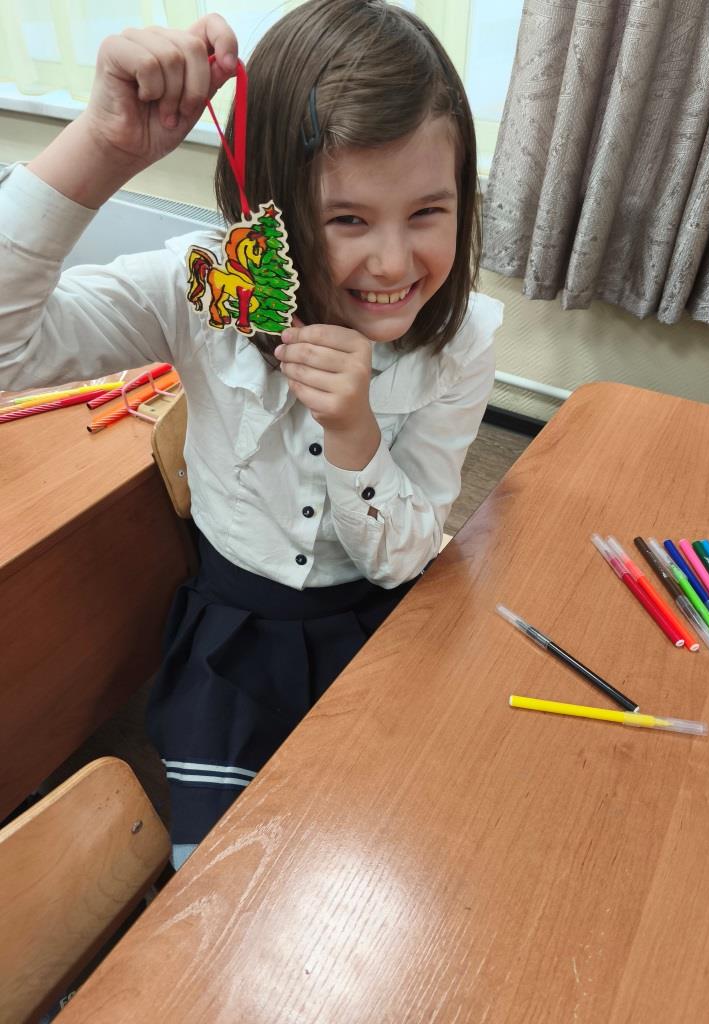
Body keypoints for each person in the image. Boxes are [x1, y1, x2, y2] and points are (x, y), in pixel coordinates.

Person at [0, 0, 503, 867]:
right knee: (222, 872)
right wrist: (101, 146)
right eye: (348, 220)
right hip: (233, 640)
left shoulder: (460, 342)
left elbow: (408, 553)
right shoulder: (204, 286)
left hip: (379, 621)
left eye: (428, 212)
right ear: (268, 203)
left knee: (387, 860)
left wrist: (355, 435)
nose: (393, 262)